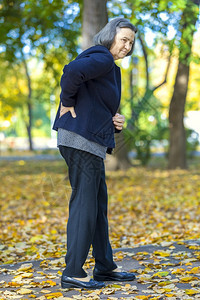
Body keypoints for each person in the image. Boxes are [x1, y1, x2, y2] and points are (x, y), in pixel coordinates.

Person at [53, 17, 137, 289]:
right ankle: (73, 271)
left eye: (131, 43)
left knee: (97, 203)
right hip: (80, 139)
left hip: (90, 140)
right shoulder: (101, 56)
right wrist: (67, 102)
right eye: (123, 39)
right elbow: (71, 71)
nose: (127, 46)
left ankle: (105, 266)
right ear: (110, 35)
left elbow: (98, 102)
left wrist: (115, 120)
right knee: (85, 203)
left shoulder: (110, 68)